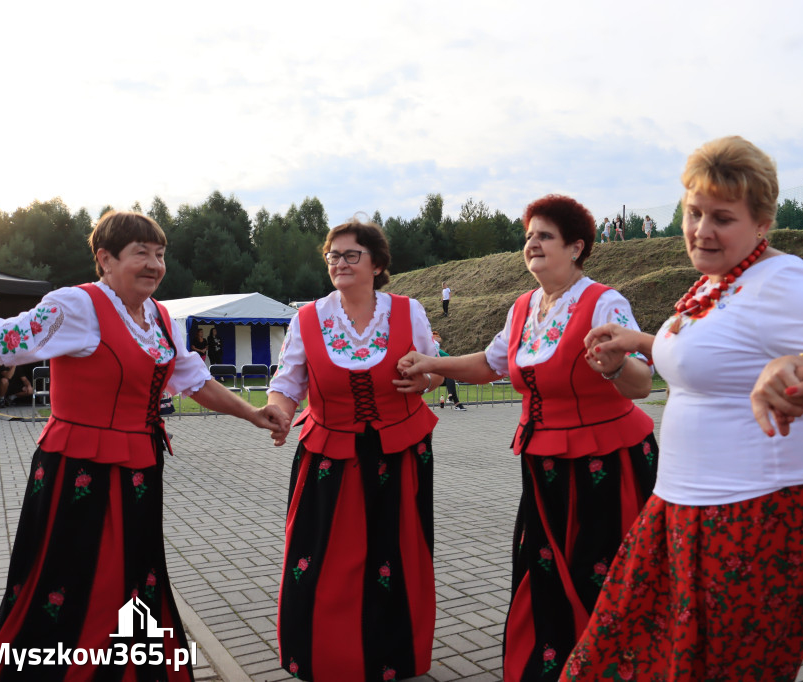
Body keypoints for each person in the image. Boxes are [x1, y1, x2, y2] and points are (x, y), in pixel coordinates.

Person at [561, 137, 803, 681]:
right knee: (621, 656)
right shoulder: (716, 282)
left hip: (755, 516)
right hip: (677, 509)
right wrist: (637, 342)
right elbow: (716, 361)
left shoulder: (785, 281)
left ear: (762, 222)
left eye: (722, 217)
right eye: (693, 213)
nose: (701, 230)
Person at [0, 211, 289, 681]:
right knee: (70, 579)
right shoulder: (74, 307)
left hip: (139, 472)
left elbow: (194, 380)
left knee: (133, 579)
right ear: (105, 259)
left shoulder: (160, 317)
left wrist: (251, 414)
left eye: (160, 254)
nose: (154, 264)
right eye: (140, 252)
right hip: (77, 472)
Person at [398, 194, 657, 682]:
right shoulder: (523, 309)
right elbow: (489, 364)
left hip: (607, 463)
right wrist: (432, 363)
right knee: (544, 570)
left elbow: (642, 383)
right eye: (529, 236)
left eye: (545, 236)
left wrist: (616, 365)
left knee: (600, 573)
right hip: (544, 464)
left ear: (576, 248)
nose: (532, 244)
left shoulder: (604, 301)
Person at [266, 218, 442, 682]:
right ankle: (326, 656)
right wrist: (278, 411)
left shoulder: (409, 311)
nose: (339, 263)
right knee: (324, 557)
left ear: (377, 263)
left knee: (398, 554)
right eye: (333, 256)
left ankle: (393, 657)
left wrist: (423, 377)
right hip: (330, 455)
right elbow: (288, 382)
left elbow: (435, 370)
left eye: (350, 255)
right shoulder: (307, 318)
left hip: (400, 452)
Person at [431, 331, 467, 410]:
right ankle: (455, 401)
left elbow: (450, 359)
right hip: (430, 378)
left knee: (450, 377)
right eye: (437, 343)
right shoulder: (428, 351)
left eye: (439, 343)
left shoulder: (439, 352)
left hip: (440, 378)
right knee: (450, 376)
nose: (438, 345)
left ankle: (452, 398)